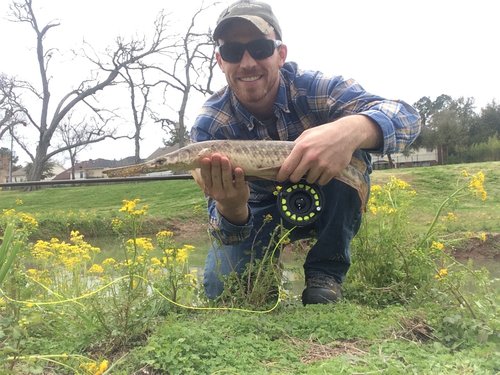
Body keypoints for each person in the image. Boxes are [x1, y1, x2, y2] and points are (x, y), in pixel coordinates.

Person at [190, 0, 421, 305]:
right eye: (233, 52)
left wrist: (349, 130)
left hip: (326, 195)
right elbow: (223, 230)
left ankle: (326, 273)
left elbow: (407, 117)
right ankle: (262, 281)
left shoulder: (316, 88)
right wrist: (231, 207)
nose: (247, 62)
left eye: (260, 48)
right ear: (221, 61)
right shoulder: (209, 124)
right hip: (254, 211)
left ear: (280, 54)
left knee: (353, 148)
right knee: (224, 291)